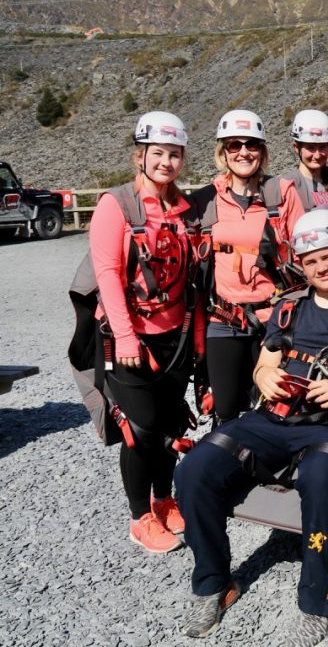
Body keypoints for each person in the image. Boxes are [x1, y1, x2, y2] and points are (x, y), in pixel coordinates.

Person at [176, 209, 328, 645]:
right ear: (300, 265)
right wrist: (263, 376)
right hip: (272, 418)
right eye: (311, 261)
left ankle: (316, 602)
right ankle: (214, 582)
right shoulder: (289, 307)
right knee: (193, 470)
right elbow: (265, 363)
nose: (320, 267)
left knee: (321, 478)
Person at [88, 111, 200, 553]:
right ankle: (139, 517)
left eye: (174, 155)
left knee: (171, 421)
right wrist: (127, 335)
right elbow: (108, 272)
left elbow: (191, 278)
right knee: (141, 428)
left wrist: (193, 338)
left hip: (174, 336)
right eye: (158, 153)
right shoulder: (115, 204)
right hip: (128, 337)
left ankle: (164, 498)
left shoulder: (182, 209)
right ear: (140, 156)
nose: (166, 163)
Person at [192, 109, 305, 423]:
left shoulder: (282, 194)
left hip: (273, 318)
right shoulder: (205, 201)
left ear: (263, 151)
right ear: (223, 151)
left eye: (251, 145)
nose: (243, 152)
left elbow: (304, 255)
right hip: (223, 318)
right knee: (225, 410)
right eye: (234, 145)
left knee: (273, 406)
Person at [265, 109, 328, 212]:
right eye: (310, 148)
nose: (317, 155)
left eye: (322, 147)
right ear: (296, 147)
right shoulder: (285, 187)